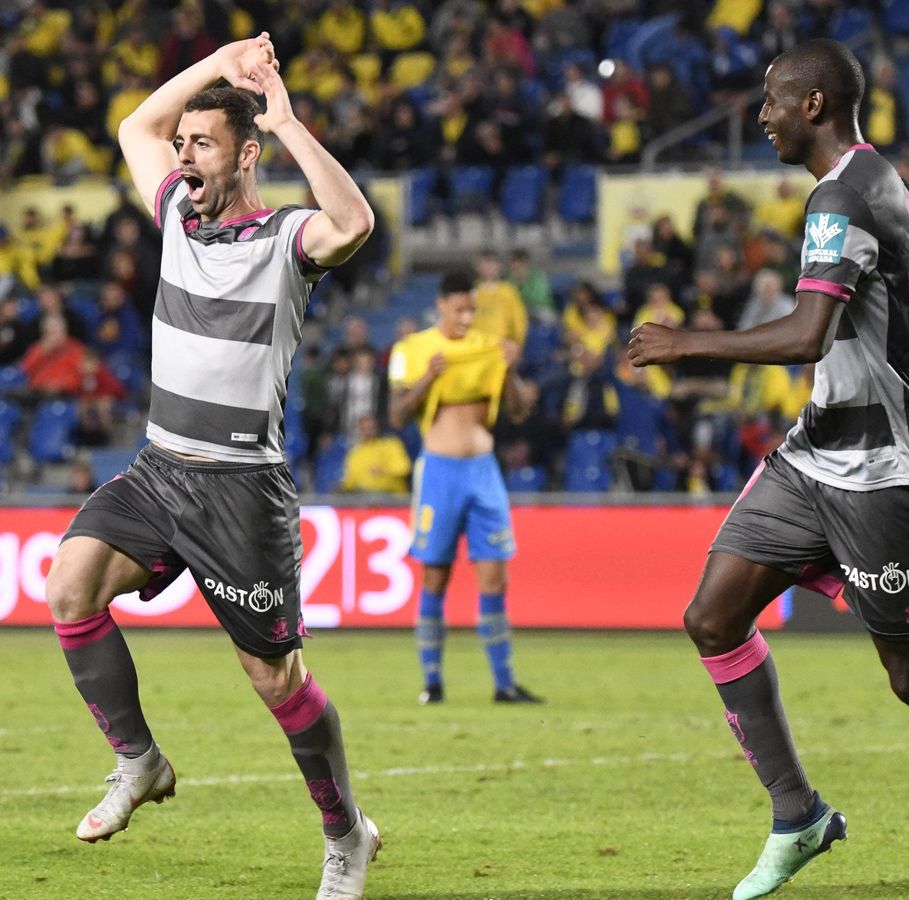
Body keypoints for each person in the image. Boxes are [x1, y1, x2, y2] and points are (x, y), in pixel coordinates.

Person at [627, 40, 909, 900]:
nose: (761, 116)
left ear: (814, 107)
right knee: (713, 617)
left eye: (770, 102)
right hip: (815, 455)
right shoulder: (888, 183)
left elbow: (806, 334)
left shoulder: (840, 199)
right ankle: (798, 817)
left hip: (891, 481)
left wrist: (688, 343)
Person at [42, 33, 381, 898]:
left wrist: (287, 118)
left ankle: (346, 834)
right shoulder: (174, 221)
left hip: (241, 488)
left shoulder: (288, 237)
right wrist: (221, 64)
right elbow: (132, 124)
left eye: (202, 144)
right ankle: (139, 761)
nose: (183, 155)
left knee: (276, 679)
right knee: (70, 585)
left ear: (246, 155)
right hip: (161, 470)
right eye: (183, 144)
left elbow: (354, 223)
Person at [387, 269, 541, 707]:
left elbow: (518, 411)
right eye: (460, 309)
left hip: (484, 472)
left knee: (495, 579)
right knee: (435, 576)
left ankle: (504, 683)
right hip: (439, 473)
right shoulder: (413, 350)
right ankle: (432, 683)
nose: (467, 317)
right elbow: (397, 415)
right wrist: (427, 380)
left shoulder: (488, 349)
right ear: (441, 306)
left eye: (472, 308)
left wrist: (510, 373)